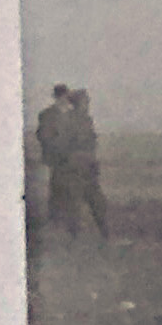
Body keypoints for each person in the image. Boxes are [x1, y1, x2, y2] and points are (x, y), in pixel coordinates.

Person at [52, 89, 110, 240]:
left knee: (97, 203)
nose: (87, 104)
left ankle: (105, 236)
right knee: (75, 205)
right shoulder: (69, 121)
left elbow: (91, 143)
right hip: (75, 169)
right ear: (79, 103)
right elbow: (63, 144)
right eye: (85, 101)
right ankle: (74, 239)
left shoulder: (86, 120)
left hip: (88, 168)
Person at [35, 84, 75, 230]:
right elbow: (42, 135)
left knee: (70, 187)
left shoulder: (73, 115)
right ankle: (55, 218)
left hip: (71, 157)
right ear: (58, 97)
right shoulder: (47, 115)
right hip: (56, 158)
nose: (64, 99)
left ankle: (67, 218)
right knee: (57, 186)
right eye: (62, 96)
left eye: (65, 96)